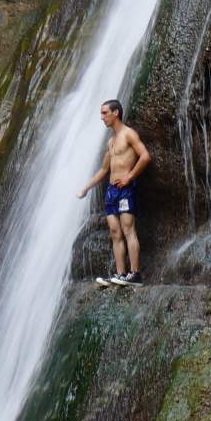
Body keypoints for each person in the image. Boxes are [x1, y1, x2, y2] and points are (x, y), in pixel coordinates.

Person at [75, 99, 152, 287]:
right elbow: (103, 170)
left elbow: (145, 156)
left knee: (128, 229)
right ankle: (120, 274)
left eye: (104, 113)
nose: (102, 117)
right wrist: (86, 187)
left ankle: (135, 274)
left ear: (115, 112)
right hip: (111, 192)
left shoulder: (128, 134)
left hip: (125, 189)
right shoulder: (111, 142)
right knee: (115, 232)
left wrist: (130, 177)